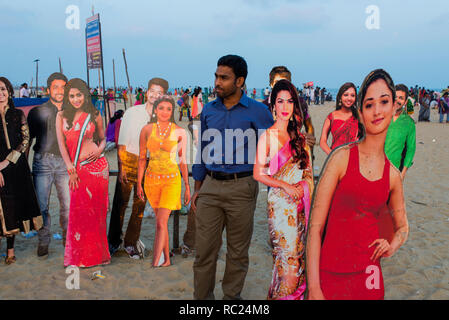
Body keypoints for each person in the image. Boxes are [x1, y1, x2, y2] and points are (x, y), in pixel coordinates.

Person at [306, 69, 409, 300]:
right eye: (369, 104)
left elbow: (403, 227)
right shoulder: (340, 158)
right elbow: (315, 228)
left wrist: (392, 245)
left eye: (384, 102)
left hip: (370, 275)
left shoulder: (392, 175)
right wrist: (314, 288)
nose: (377, 111)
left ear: (394, 108)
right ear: (361, 113)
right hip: (329, 272)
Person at [191, 55, 274, 300]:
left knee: (237, 253)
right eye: (216, 76)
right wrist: (197, 188)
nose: (217, 82)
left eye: (224, 78)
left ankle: (231, 299)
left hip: (243, 187)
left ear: (239, 81)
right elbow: (202, 150)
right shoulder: (208, 109)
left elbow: (276, 145)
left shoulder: (259, 112)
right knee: (204, 252)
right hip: (210, 187)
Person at [253, 80, 314, 300]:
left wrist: (302, 187)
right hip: (279, 210)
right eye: (280, 101)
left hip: (300, 208)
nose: (285, 106)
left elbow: (308, 173)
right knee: (286, 267)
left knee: (300, 263)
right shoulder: (266, 137)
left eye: (290, 101)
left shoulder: (300, 139)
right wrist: (285, 185)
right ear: (273, 106)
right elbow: (258, 173)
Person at [108, 77, 168, 259]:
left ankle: (131, 242)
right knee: (120, 203)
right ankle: (112, 242)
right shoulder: (132, 112)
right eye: (153, 91)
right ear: (147, 91)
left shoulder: (164, 116)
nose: (155, 95)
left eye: (160, 92)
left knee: (139, 206)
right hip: (129, 160)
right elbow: (122, 141)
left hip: (150, 164)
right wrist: (122, 167)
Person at [55, 78, 110, 268]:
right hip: (77, 170)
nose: (76, 99)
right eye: (72, 96)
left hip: (97, 168)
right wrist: (70, 169)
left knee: (96, 214)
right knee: (78, 213)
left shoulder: (94, 114)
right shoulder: (61, 116)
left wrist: (100, 149)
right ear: (67, 97)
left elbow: (103, 139)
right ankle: (79, 257)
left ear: (85, 95)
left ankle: (98, 256)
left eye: (79, 95)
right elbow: (62, 145)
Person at [137, 96, 190, 267]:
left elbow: (183, 160)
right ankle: (166, 260)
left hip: (171, 181)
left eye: (169, 109)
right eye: (161, 108)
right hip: (151, 181)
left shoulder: (179, 132)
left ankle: (155, 263)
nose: (165, 112)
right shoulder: (146, 130)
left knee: (160, 222)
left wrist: (187, 186)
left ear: (172, 111)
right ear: (155, 110)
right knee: (162, 223)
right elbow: (141, 159)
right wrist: (139, 183)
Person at [27, 72, 70, 258]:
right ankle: (43, 241)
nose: (60, 91)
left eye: (63, 87)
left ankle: (69, 241)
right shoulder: (38, 112)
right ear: (48, 89)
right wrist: (23, 166)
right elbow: (28, 140)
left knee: (67, 205)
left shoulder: (72, 111)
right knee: (42, 206)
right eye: (56, 87)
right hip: (42, 161)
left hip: (65, 162)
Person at [0, 77, 42, 265]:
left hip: (15, 169)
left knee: (12, 208)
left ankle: (10, 250)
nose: (0, 93)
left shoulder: (18, 115)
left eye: (3, 89)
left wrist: (7, 162)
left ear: (9, 92)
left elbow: (25, 140)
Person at [263, 66, 316, 151]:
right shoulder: (264, 106)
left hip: (296, 153)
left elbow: (309, 125)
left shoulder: (300, 103)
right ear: (271, 84)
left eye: (285, 82)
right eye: (277, 82)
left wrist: (310, 148)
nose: (281, 85)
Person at [319, 82, 364, 155]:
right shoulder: (332, 116)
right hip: (335, 158)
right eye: (346, 95)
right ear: (340, 97)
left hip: (354, 157)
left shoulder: (359, 116)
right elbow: (322, 141)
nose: (349, 98)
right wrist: (332, 155)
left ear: (355, 98)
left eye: (352, 95)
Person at [384, 84, 416, 180]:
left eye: (401, 98)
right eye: (395, 97)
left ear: (405, 101)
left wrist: (403, 173)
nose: (397, 100)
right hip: (374, 169)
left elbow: (411, 149)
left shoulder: (409, 123)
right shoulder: (380, 116)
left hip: (394, 171)